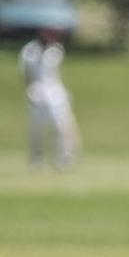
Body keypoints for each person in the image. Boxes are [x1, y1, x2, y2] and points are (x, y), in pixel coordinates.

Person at [19, 27, 80, 169]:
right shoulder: (29, 51)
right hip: (36, 93)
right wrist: (29, 91)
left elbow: (58, 73)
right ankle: (36, 159)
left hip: (55, 93)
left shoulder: (56, 51)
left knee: (60, 126)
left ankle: (61, 158)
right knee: (36, 128)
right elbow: (25, 74)